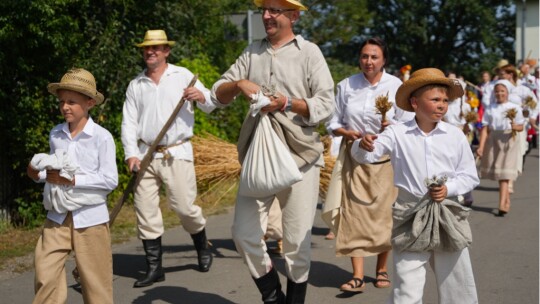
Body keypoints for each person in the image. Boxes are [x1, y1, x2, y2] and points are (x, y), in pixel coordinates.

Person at [210, 0, 334, 302]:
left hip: (301, 158)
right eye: (264, 9)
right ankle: (272, 295)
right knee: (243, 234)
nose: (266, 15)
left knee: (296, 245)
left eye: (274, 10)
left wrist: (287, 102)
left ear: (293, 16)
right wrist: (238, 83)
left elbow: (326, 105)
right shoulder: (252, 51)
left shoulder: (310, 53)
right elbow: (217, 93)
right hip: (258, 158)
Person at [351, 68, 479, 303]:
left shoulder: (455, 135)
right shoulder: (397, 132)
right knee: (406, 284)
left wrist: (448, 189)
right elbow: (366, 155)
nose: (441, 105)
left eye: (445, 100)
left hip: (447, 212)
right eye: (435, 99)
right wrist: (363, 144)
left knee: (456, 281)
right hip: (410, 213)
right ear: (415, 102)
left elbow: (470, 176)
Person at [121, 29, 215, 288]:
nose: (150, 51)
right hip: (145, 154)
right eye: (147, 48)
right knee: (145, 211)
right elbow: (128, 123)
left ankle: (202, 245)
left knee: (185, 207)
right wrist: (130, 154)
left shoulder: (182, 75)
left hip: (177, 151)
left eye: (156, 48)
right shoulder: (136, 84)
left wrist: (200, 96)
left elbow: (211, 103)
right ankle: (155, 268)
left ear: (166, 51)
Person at [325, 37, 413, 293]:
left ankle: (382, 269)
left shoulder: (396, 86)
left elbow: (408, 123)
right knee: (354, 214)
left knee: (384, 215)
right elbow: (332, 121)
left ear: (384, 59)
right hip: (354, 156)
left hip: (386, 160)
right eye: (364, 56)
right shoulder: (346, 85)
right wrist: (348, 133)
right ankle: (357, 275)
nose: (369, 61)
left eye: (374, 56)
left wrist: (391, 127)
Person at [27, 68, 118, 303]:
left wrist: (74, 180)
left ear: (89, 103)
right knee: (45, 273)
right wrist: (37, 174)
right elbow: (53, 172)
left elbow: (110, 180)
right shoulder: (56, 134)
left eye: (71, 102)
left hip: (90, 219)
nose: (65, 107)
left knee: (95, 285)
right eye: (62, 101)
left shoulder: (102, 137)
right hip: (57, 215)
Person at [476, 80, 525, 216]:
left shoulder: (514, 108)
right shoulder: (490, 108)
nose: (499, 93)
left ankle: (502, 205)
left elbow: (521, 126)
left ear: (507, 92)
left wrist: (516, 127)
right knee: (500, 173)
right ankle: (506, 200)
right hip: (494, 140)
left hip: (509, 140)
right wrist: (481, 146)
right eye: (497, 91)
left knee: (504, 175)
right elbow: (485, 129)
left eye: (502, 91)